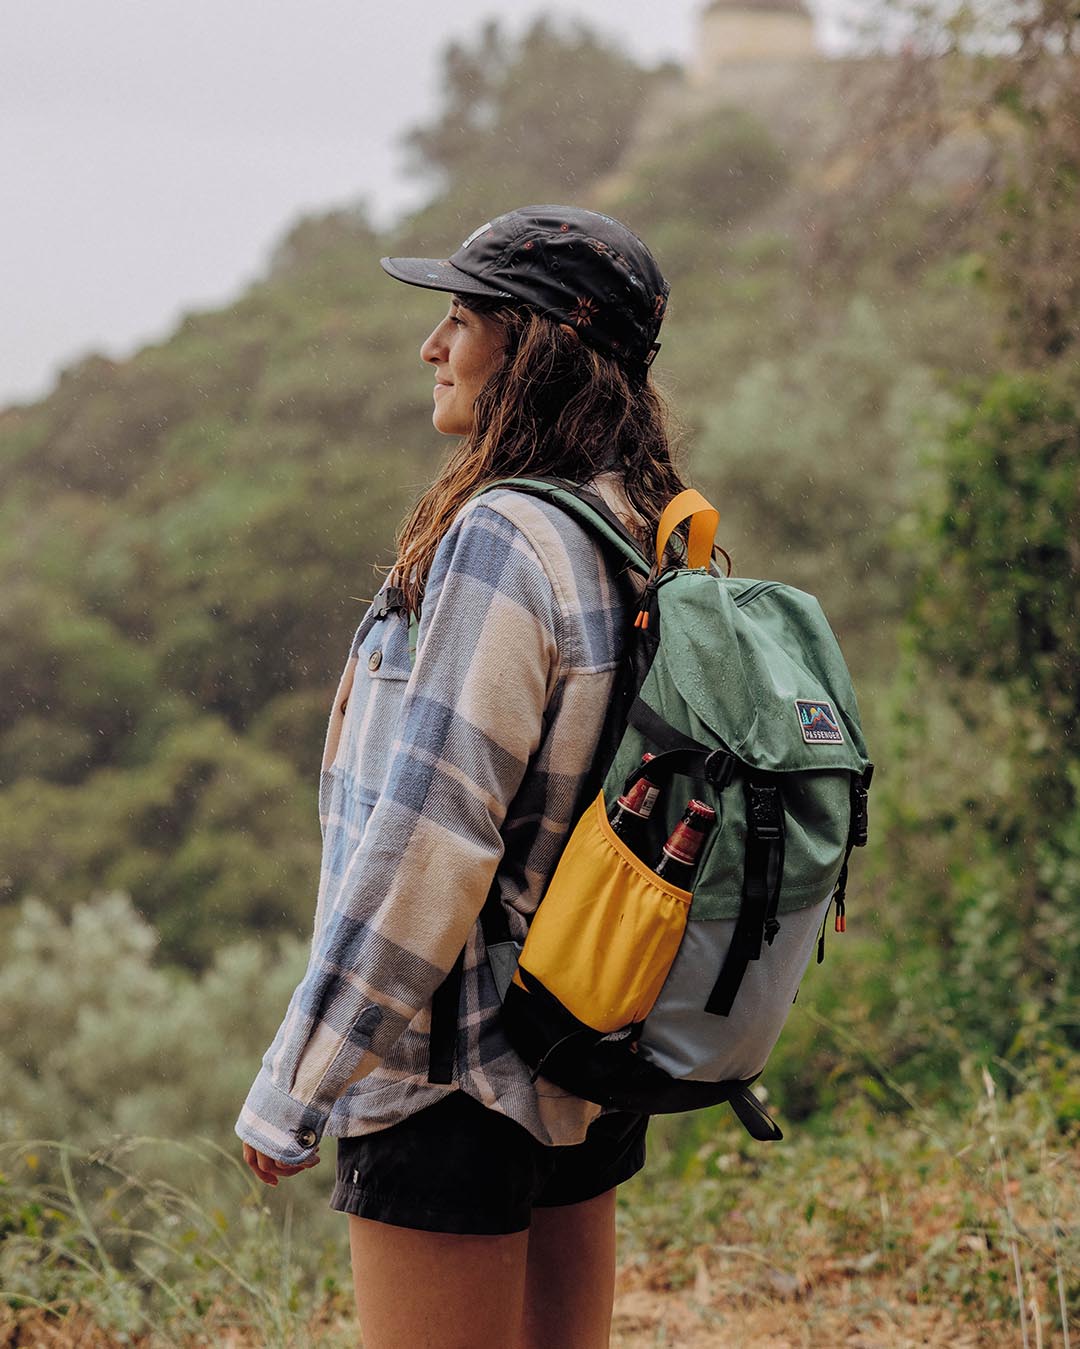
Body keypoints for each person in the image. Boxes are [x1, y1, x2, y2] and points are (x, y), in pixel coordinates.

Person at [236, 205, 696, 1348]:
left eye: (458, 319)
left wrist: (301, 1077)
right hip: (579, 1047)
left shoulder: (504, 536)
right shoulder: (635, 524)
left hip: (451, 1078)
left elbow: (434, 836)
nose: (431, 348)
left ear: (530, 345)